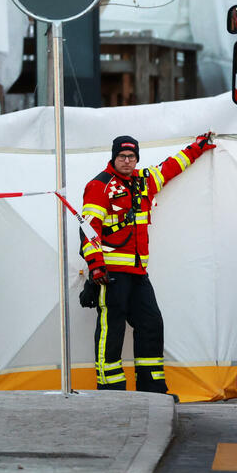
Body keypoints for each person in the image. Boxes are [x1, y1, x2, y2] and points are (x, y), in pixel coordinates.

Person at [79, 133, 216, 393]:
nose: (127, 161)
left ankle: (151, 390)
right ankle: (110, 389)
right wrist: (96, 265)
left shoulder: (144, 181)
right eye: (122, 156)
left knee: (151, 323)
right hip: (111, 274)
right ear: (114, 157)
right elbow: (89, 229)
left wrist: (198, 147)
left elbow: (172, 166)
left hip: (138, 273)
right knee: (112, 328)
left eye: (131, 157)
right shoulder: (100, 185)